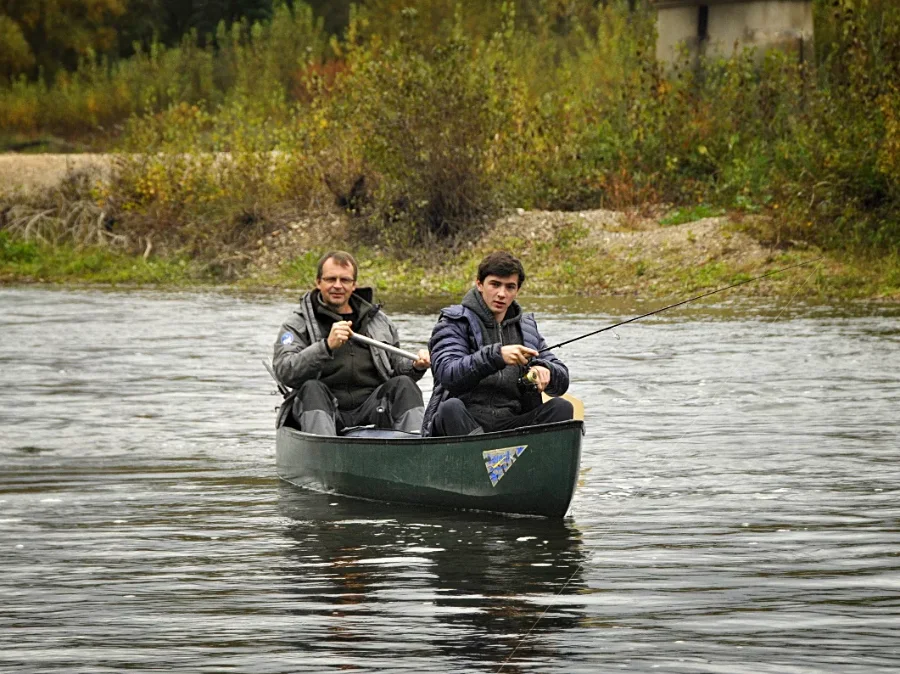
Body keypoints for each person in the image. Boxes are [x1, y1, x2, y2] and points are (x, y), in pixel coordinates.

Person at [273, 250, 430, 435]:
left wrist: (415, 366)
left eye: (345, 280)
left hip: (373, 408)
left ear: (354, 285)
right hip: (324, 407)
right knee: (311, 389)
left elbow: (395, 368)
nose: (337, 286)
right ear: (318, 283)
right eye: (331, 279)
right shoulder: (297, 324)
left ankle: (416, 447)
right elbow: (285, 370)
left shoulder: (380, 322)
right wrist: (325, 347)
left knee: (404, 384)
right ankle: (324, 452)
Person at [422, 251, 573, 437]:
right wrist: (496, 356)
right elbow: (448, 374)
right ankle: (480, 457)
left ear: (517, 290)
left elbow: (562, 382)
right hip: (463, 421)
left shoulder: (527, 329)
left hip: (511, 423)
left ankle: (536, 460)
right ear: (479, 284)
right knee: (450, 408)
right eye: (495, 284)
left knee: (561, 407)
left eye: (510, 287)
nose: (502, 294)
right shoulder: (453, 322)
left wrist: (545, 369)